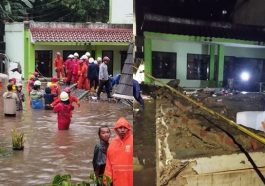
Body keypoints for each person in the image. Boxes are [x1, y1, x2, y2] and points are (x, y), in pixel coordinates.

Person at [104, 117, 133, 186]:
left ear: (128, 129)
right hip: (117, 180)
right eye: (120, 128)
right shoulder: (112, 144)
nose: (122, 130)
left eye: (124, 128)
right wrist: (106, 180)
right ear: (116, 129)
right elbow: (108, 166)